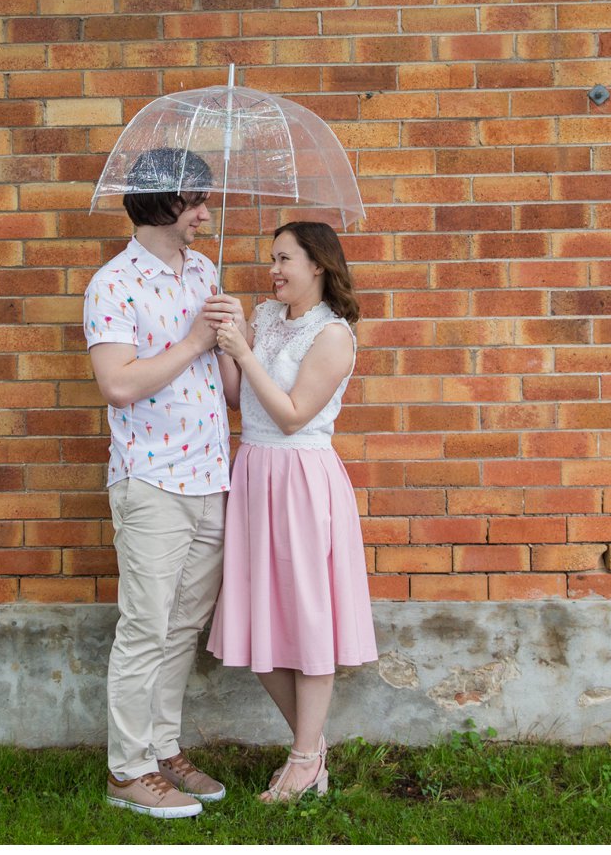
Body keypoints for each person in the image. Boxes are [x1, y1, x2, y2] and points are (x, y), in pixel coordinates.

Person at [83, 147, 247, 819]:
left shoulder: (205, 271)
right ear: (161, 204)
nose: (207, 213)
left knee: (183, 627)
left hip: (212, 475)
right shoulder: (113, 285)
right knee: (146, 627)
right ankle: (127, 771)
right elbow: (118, 383)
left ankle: (162, 748)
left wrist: (233, 337)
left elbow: (228, 389)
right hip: (151, 479)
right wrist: (192, 343)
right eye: (196, 201)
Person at [207, 220, 379, 802]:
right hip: (255, 473)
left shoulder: (333, 336)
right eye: (272, 259)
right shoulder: (264, 317)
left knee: (308, 621)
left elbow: (291, 413)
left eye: (285, 259)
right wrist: (229, 339)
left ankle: (304, 761)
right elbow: (238, 399)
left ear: (318, 266)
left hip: (302, 480)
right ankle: (314, 751)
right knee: (257, 626)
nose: (274, 269)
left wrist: (242, 352)